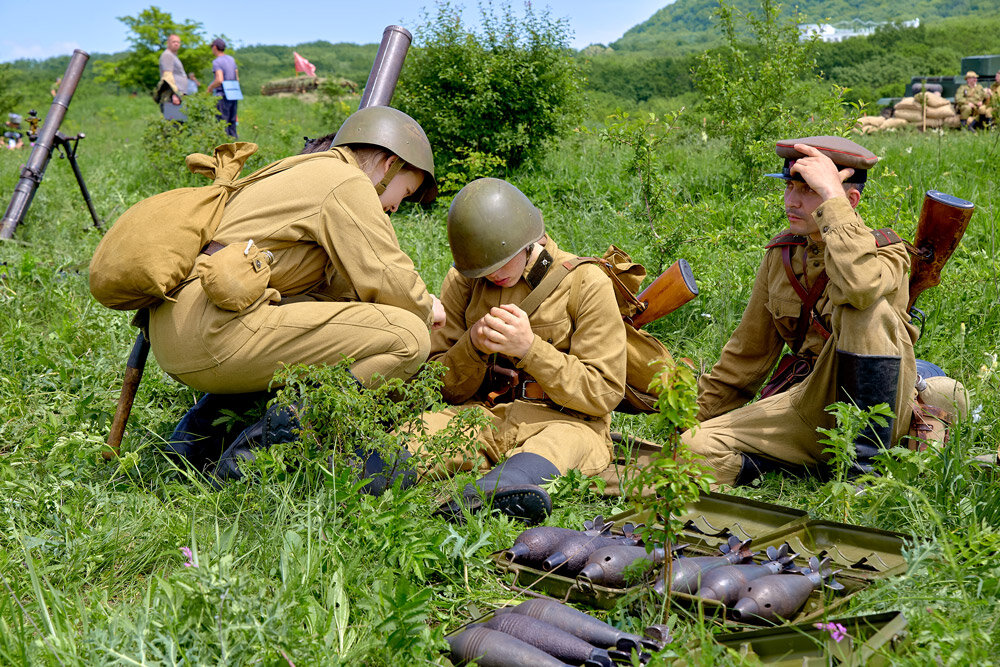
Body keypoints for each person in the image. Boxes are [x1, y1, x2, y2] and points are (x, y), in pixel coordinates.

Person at [156, 106, 445, 482]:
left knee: (328, 323)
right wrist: (428, 309)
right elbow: (387, 274)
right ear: (388, 163)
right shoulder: (345, 181)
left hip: (179, 326)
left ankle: (198, 440)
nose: (394, 206)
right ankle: (251, 460)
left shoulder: (299, 169)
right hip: (211, 329)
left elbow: (336, 292)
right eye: (404, 191)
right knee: (407, 337)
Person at [684, 136, 923, 486]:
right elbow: (746, 355)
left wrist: (833, 199)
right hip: (806, 400)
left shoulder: (887, 253)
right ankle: (782, 468)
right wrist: (689, 419)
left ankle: (863, 478)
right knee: (690, 446)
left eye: (809, 191)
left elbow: (859, 286)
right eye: (789, 187)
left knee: (865, 310)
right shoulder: (783, 257)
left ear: (848, 199)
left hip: (875, 412)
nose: (791, 201)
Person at [409, 178, 627, 525]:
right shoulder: (466, 280)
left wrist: (530, 349)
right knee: (405, 443)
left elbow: (602, 391)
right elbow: (440, 383)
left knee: (547, 455)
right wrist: (473, 346)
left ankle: (483, 500)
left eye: (501, 262)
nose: (492, 274)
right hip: (485, 416)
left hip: (569, 424)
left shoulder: (585, 283)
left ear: (530, 242)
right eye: (482, 268)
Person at [206, 38, 239, 138]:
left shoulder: (217, 62)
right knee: (232, 123)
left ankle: (224, 148)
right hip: (234, 93)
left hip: (222, 95)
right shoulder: (231, 59)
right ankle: (236, 148)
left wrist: (210, 88)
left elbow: (219, 79)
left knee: (222, 124)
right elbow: (237, 77)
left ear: (215, 47)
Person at [157, 34, 197, 116]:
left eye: (178, 42)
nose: (176, 44)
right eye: (174, 42)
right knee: (173, 124)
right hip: (171, 96)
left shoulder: (173, 56)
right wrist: (175, 94)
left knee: (179, 124)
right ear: (168, 43)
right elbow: (167, 77)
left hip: (178, 95)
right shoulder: (167, 55)